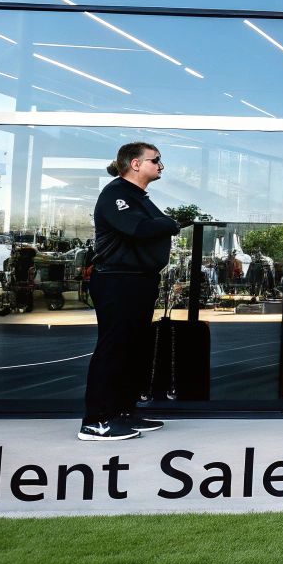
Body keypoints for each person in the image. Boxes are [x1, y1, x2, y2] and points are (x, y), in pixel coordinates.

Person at [79, 142, 189, 442]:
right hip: (117, 280)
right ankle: (96, 421)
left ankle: (123, 412)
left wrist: (164, 224)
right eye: (156, 160)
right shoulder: (115, 194)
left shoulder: (138, 196)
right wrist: (168, 223)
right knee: (113, 349)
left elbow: (153, 226)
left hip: (139, 281)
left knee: (133, 350)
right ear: (136, 164)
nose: (160, 166)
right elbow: (140, 230)